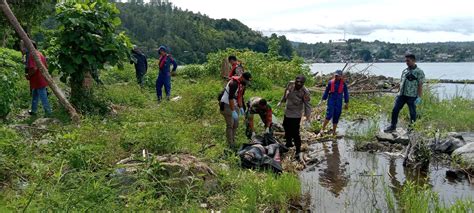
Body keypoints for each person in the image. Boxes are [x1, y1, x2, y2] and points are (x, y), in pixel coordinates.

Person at [384, 54, 425, 132]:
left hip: (412, 96)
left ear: (413, 61)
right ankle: (393, 126)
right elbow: (401, 82)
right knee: (395, 110)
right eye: (406, 61)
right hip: (401, 95)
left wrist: (419, 97)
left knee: (412, 113)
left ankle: (411, 129)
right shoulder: (405, 71)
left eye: (408, 61)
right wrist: (398, 91)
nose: (406, 62)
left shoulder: (419, 72)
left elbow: (420, 84)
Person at [277, 75, 312, 161]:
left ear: (303, 84)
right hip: (287, 111)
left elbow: (307, 105)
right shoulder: (290, 84)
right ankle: (288, 143)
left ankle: (298, 150)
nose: (298, 84)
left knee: (295, 132)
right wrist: (282, 101)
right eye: (297, 81)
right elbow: (285, 93)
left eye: (301, 83)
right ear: (295, 81)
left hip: (296, 114)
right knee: (285, 126)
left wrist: (308, 118)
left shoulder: (305, 92)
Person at [219, 72, 252, 149]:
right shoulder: (233, 84)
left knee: (235, 124)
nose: (247, 83)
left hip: (235, 105)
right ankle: (230, 144)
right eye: (246, 81)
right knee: (230, 124)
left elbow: (240, 96)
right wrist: (233, 110)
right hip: (227, 105)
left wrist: (241, 107)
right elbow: (230, 98)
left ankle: (233, 140)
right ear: (242, 77)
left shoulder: (242, 84)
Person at [319, 70, 349, 136]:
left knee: (337, 115)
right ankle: (322, 129)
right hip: (331, 100)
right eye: (336, 75)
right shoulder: (330, 82)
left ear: (341, 76)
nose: (336, 76)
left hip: (339, 101)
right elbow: (326, 92)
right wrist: (323, 99)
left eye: (338, 75)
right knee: (329, 114)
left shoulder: (343, 84)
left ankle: (334, 132)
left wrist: (346, 102)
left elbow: (346, 93)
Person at [25, 41, 52, 116]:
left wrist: (28, 75)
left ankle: (48, 112)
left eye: (26, 46)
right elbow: (46, 66)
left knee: (43, 96)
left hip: (38, 80)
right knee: (35, 95)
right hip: (40, 79)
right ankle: (33, 111)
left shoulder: (33, 55)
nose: (25, 48)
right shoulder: (40, 53)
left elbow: (34, 68)